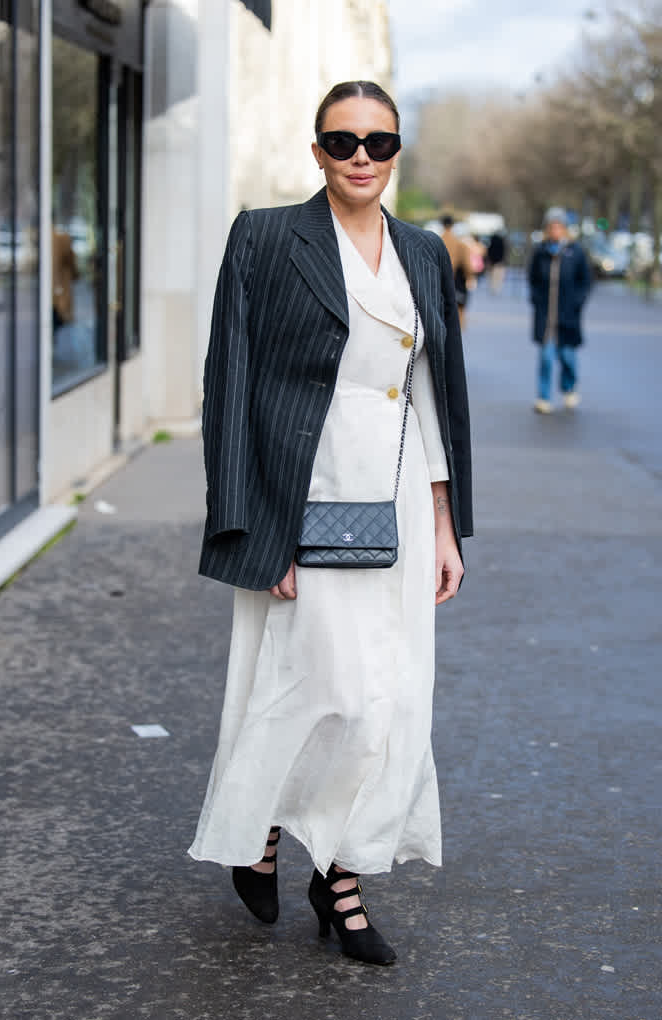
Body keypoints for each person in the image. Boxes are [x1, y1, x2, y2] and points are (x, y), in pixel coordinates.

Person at [188, 80, 473, 967]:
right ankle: (265, 830)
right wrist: (248, 526)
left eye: (379, 142)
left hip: (390, 498)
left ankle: (341, 878)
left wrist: (444, 520)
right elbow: (227, 383)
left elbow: (431, 391)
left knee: (384, 695)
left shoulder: (424, 253)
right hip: (296, 493)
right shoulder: (267, 236)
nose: (361, 156)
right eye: (342, 141)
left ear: (396, 154)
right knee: (309, 685)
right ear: (316, 150)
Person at [528, 207, 591, 413]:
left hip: (568, 315)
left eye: (559, 226)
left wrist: (577, 303)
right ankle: (543, 397)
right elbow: (533, 278)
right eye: (552, 226)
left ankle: (569, 387)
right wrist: (536, 300)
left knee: (567, 358)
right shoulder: (541, 251)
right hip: (546, 315)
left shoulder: (575, 251)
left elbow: (585, 281)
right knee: (546, 358)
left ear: (564, 229)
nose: (555, 230)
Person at [440, 214, 474, 329]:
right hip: (456, 279)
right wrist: (470, 276)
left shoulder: (436, 241)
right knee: (458, 307)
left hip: (439, 279)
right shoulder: (459, 243)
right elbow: (466, 263)